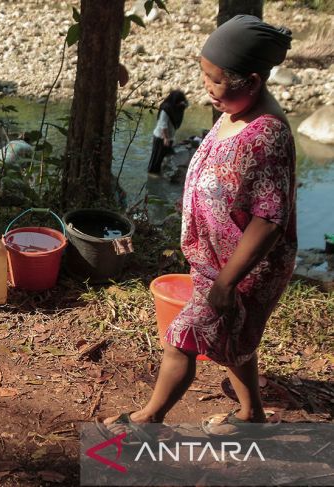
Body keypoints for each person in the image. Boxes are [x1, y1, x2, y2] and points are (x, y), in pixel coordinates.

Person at [103, 15, 296, 438]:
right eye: (203, 76)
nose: (206, 87)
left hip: (243, 268)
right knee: (235, 336)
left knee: (182, 336)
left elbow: (268, 220)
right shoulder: (234, 110)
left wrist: (227, 282)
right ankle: (251, 415)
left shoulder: (267, 136)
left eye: (216, 81)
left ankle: (148, 420)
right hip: (217, 259)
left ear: (252, 81)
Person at [147, 90, 188, 174]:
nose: (180, 104)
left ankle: (161, 172)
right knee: (156, 158)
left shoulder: (178, 108)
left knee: (164, 157)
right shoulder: (166, 109)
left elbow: (187, 104)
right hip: (161, 137)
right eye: (179, 102)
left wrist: (183, 103)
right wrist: (166, 138)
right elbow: (163, 124)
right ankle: (152, 174)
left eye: (181, 102)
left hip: (170, 137)